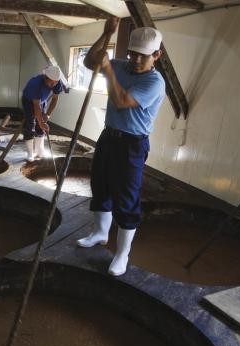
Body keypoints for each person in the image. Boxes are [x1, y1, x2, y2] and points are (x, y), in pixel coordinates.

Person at [77, 17, 166, 277]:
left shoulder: (155, 82)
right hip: (108, 137)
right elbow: (89, 61)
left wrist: (107, 69)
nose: (136, 60)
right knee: (100, 185)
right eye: (133, 54)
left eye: (143, 56)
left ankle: (122, 253)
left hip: (132, 144)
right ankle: (100, 233)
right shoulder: (121, 66)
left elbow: (122, 100)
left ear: (157, 55)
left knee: (126, 198)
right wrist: (105, 35)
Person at [21, 65, 64, 162]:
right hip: (29, 100)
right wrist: (40, 122)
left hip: (42, 101)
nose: (53, 84)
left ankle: (40, 150)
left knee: (41, 124)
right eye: (51, 82)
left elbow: (55, 98)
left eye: (55, 82)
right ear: (45, 77)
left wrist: (47, 115)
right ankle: (30, 152)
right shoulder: (35, 83)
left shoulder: (57, 82)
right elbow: (36, 105)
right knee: (30, 124)